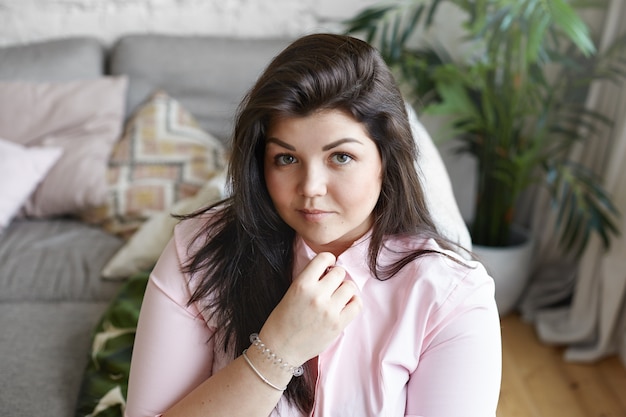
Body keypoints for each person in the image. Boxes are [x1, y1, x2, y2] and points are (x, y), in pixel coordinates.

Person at [124, 33, 501, 417]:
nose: (310, 188)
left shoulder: (452, 296)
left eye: (340, 157)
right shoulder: (198, 252)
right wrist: (278, 351)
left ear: (386, 159)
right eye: (286, 159)